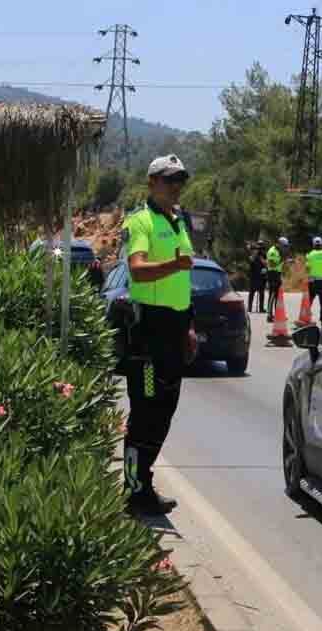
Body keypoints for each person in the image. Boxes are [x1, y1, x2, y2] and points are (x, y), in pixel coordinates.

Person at [121, 154, 196, 516]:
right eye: (169, 180)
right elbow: (137, 271)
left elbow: (184, 280)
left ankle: (144, 482)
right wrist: (171, 265)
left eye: (180, 180)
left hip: (174, 330)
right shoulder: (141, 222)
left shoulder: (179, 221)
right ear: (152, 183)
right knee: (145, 413)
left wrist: (189, 327)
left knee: (164, 412)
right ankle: (134, 491)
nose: (176, 186)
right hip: (149, 333)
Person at [266, 236, 288, 322]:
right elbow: (272, 265)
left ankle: (278, 314)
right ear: (279, 244)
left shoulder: (278, 251)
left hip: (277, 274)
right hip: (272, 274)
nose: (285, 248)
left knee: (278, 295)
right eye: (284, 246)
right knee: (272, 294)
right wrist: (282, 260)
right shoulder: (272, 252)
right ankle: (269, 315)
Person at [248, 240, 268, 314]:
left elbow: (266, 264)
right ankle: (250, 307)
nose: (260, 249)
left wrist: (265, 269)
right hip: (255, 276)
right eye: (259, 247)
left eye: (261, 247)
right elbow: (251, 262)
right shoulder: (255, 255)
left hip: (260, 276)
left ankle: (260, 308)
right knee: (253, 292)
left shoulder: (263, 255)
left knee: (260, 292)